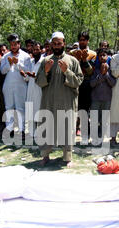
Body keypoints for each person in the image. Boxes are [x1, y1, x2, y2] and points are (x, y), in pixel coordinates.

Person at [36, 32, 83, 168]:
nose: (57, 46)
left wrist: (66, 71)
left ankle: (67, 157)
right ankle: (45, 156)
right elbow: (38, 81)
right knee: (46, 128)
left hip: (66, 101)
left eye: (59, 43)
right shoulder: (45, 61)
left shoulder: (72, 61)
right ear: (51, 44)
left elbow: (79, 81)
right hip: (49, 102)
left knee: (67, 128)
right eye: (54, 43)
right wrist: (45, 71)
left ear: (64, 43)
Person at [0, 33, 32, 139]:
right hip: (8, 84)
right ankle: (10, 129)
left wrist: (18, 64)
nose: (13, 46)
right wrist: (9, 64)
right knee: (9, 107)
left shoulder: (26, 56)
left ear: (19, 44)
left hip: (20, 84)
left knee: (20, 108)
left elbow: (28, 71)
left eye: (15, 44)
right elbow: (2, 71)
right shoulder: (6, 56)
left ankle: (22, 130)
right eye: (11, 44)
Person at [70, 31, 96, 137]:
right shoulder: (72, 53)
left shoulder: (93, 54)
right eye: (80, 39)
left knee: (84, 108)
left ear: (87, 41)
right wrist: (77, 58)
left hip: (86, 83)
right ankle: (73, 128)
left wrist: (85, 59)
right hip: (74, 82)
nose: (82, 41)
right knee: (73, 107)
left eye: (84, 40)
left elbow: (91, 71)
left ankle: (84, 129)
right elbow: (69, 68)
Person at [89, 48, 116, 145]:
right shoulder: (94, 69)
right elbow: (92, 84)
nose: (102, 57)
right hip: (96, 99)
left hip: (107, 99)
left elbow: (113, 83)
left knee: (104, 120)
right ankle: (94, 138)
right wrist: (101, 74)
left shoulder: (111, 69)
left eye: (104, 55)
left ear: (107, 56)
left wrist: (106, 74)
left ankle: (100, 138)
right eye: (100, 55)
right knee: (95, 120)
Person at [25, 42, 44, 137]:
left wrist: (35, 76)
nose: (35, 51)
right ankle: (31, 132)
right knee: (31, 110)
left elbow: (45, 76)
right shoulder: (31, 62)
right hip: (30, 88)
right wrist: (25, 75)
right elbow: (27, 78)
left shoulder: (44, 61)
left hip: (39, 89)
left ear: (41, 50)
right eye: (34, 50)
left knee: (39, 110)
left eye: (37, 49)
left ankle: (39, 132)